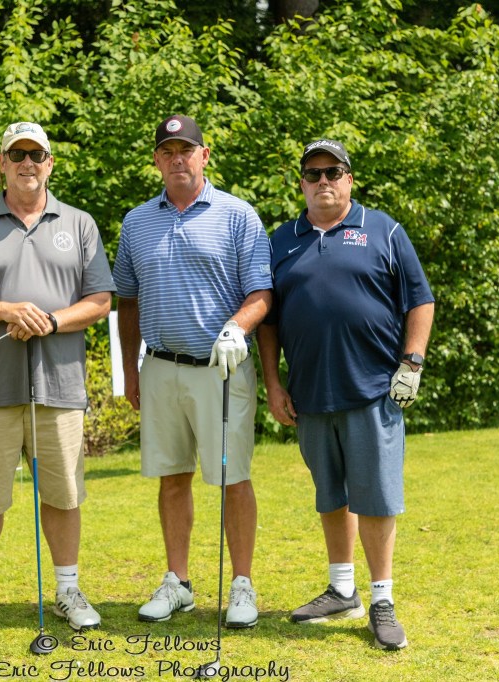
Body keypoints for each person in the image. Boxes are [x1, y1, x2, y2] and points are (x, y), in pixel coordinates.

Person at [256, 139, 435, 650]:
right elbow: (268, 321)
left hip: (373, 390)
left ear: (349, 179)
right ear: (301, 183)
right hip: (310, 394)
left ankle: (382, 601)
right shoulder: (281, 240)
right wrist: (273, 383)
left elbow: (420, 300)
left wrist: (413, 362)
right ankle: (342, 590)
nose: (323, 181)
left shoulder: (383, 230)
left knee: (375, 497)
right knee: (330, 494)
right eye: (313, 173)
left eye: (333, 172)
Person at [0, 122, 114, 634]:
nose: (27, 163)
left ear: (50, 163)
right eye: (17, 154)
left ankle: (67, 591)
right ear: (2, 163)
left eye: (37, 154)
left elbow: (100, 300)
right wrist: (6, 310)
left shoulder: (79, 223)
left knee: (63, 494)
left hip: (60, 386)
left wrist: (50, 321)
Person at [113, 115, 272, 628]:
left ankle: (242, 585)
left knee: (232, 477)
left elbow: (261, 293)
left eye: (186, 150)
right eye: (168, 151)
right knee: (172, 476)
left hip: (220, 367)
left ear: (204, 156)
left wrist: (236, 328)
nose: (177, 158)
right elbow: (127, 300)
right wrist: (131, 371)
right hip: (161, 367)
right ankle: (178, 583)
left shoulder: (237, 215)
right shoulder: (137, 221)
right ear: (156, 161)